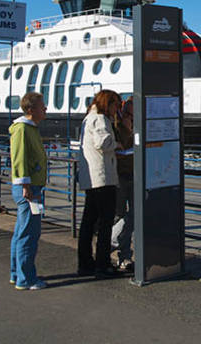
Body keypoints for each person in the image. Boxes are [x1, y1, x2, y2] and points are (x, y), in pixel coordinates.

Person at [77, 90, 123, 278]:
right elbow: (103, 142)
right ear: (108, 103)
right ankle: (102, 264)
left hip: (91, 179)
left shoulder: (88, 118)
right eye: (115, 105)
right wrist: (118, 144)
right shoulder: (100, 119)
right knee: (105, 222)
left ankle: (86, 262)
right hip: (102, 178)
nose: (116, 110)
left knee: (88, 222)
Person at [9, 92, 48, 290]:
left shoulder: (29, 128)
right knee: (29, 233)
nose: (46, 109)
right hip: (29, 188)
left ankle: (16, 273)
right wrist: (25, 184)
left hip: (31, 186)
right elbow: (19, 157)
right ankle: (26, 279)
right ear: (31, 109)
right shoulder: (23, 129)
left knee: (21, 232)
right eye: (42, 106)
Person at [111, 97, 134, 272]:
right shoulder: (116, 127)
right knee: (119, 215)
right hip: (119, 174)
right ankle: (118, 250)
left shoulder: (139, 124)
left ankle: (124, 254)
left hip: (136, 173)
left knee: (134, 215)